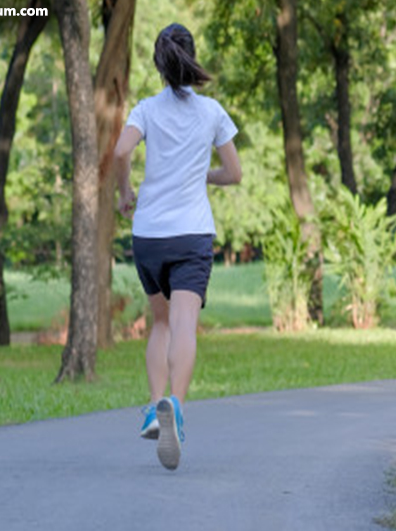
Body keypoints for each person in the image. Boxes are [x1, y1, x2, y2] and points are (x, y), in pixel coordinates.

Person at [113, 22, 242, 470]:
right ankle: (177, 408)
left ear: (160, 65)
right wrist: (201, 174)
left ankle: (154, 405)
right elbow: (234, 173)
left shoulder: (146, 109)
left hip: (148, 234)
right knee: (185, 324)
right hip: (191, 235)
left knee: (161, 322)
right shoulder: (211, 113)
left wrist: (126, 193)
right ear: (190, 59)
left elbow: (119, 151)